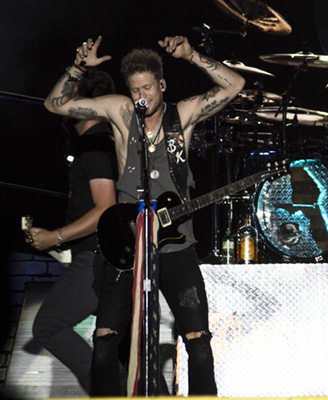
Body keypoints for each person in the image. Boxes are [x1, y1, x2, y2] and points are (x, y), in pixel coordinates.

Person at [44, 35, 245, 396]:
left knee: (198, 344)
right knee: (105, 343)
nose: (141, 95)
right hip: (126, 248)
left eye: (148, 88)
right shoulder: (121, 112)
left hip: (176, 247)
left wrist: (191, 55)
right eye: (135, 89)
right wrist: (77, 68)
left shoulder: (182, 115)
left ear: (162, 85)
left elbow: (235, 85)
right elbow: (55, 104)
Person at [30, 68, 118, 394]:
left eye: (72, 94)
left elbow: (105, 209)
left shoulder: (94, 146)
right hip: (106, 257)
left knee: (49, 326)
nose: (65, 102)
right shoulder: (105, 142)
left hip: (96, 258)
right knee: (119, 345)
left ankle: (106, 391)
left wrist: (55, 237)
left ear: (83, 100)